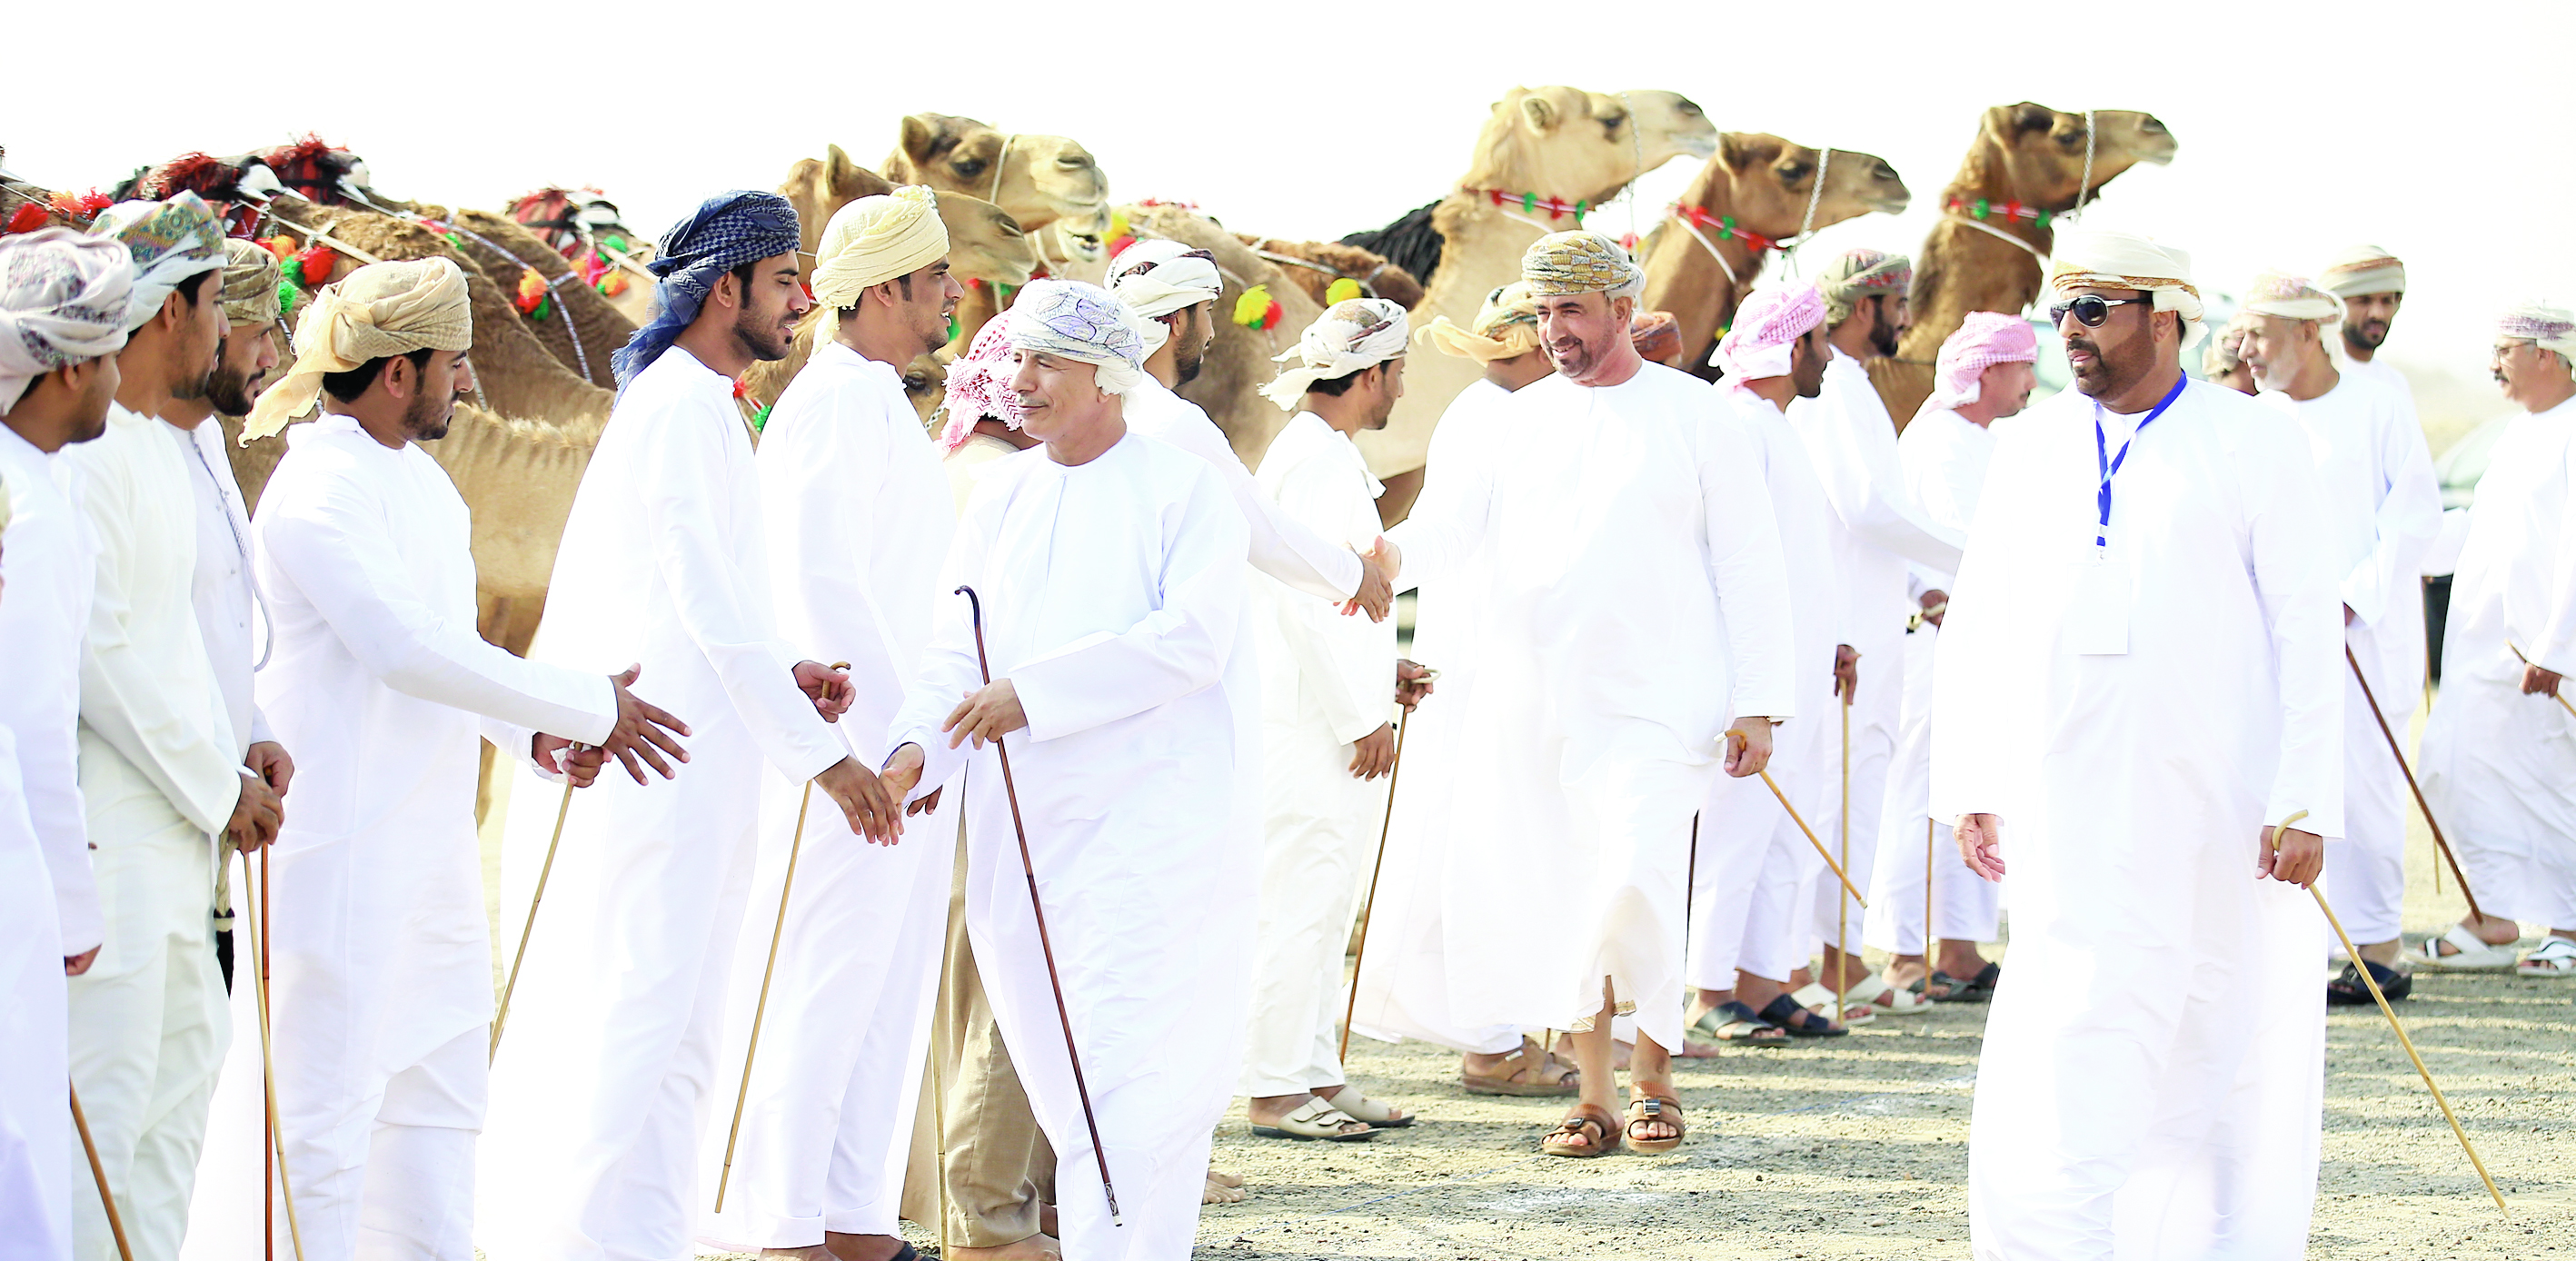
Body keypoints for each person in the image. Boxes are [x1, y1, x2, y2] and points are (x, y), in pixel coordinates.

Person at [181, 257, 691, 1261]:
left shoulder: (421, 484)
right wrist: (588, 704)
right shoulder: (315, 491)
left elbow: (456, 648)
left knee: (441, 1098)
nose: (468, 385)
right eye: (454, 365)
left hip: (433, 852)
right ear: (399, 372)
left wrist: (534, 737)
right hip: (336, 852)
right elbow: (403, 649)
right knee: (319, 1112)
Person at [476, 191, 900, 1261]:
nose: (805, 301)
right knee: (629, 1021)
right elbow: (704, 605)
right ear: (727, 289)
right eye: (786, 280)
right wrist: (828, 763)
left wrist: (791, 672)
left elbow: (713, 597)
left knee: (685, 1035)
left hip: (702, 768)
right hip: (650, 768)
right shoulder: (671, 404)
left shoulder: (713, 403)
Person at [1936, 230, 2340, 1257]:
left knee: (2219, 1032)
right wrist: (1970, 779)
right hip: (2063, 799)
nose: (2070, 329)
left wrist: (2304, 799)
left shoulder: (2253, 441)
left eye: (2096, 307)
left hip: (2221, 807)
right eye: (2061, 311)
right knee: (2068, 1022)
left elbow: (2304, 626)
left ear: (2166, 316)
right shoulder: (2029, 445)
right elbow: (1979, 621)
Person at [1383, 232, 1796, 1156]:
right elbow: (1448, 529)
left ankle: (1656, 1071)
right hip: (1538, 700)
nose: (1553, 330)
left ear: (1621, 307)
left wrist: (1761, 700)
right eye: (1542, 313)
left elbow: (1751, 564)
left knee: (1639, 878)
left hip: (1663, 698)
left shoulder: (1701, 416)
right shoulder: (1512, 420)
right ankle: (1597, 1092)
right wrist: (1387, 559)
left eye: (1570, 311)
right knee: (1569, 889)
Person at [878, 278, 1252, 1259]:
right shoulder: (1001, 493)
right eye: (1017, 359)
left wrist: (1034, 696)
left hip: (1146, 833)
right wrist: (917, 750)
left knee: (1130, 1075)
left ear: (1108, 376)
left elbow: (1194, 640)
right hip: (1023, 837)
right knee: (1061, 1079)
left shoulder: (1184, 488)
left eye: (1048, 360)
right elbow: (956, 654)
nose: (1022, 379)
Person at [707, 187, 961, 1261]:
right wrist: (879, 749)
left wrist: (927, 740)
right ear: (889, 289)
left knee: (881, 985)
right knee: (821, 979)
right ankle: (783, 1224)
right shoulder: (831, 402)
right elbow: (818, 589)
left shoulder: (875, 398)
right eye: (939, 275)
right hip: (855, 755)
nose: (953, 294)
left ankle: (853, 1215)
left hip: (906, 749)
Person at [67, 193, 283, 1261]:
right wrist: (219, 783)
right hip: (114, 850)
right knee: (97, 1140)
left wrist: (241, 744)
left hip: (183, 854)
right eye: (213, 303)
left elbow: (183, 646)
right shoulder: (93, 455)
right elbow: (103, 656)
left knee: (168, 1133)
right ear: (170, 314)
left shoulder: (167, 451)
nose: (224, 328)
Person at [1347, 283, 1574, 1093]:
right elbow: (1447, 527)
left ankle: (1529, 1019)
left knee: (1524, 845)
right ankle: (1488, 1039)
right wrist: (1388, 559)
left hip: (1539, 663)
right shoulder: (1487, 413)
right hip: (1483, 665)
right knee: (1480, 847)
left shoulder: (1550, 408)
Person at [905, 313, 1064, 1261]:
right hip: (1000, 764)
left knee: (967, 988)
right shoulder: (1010, 486)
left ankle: (1001, 1199)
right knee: (1016, 989)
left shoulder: (953, 466)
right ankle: (992, 1217)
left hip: (951, 763)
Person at [2240, 271, 2441, 1002]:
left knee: (2364, 788)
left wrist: (2348, 601)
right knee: (2282, 783)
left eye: (2257, 335)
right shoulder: (2254, 418)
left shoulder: (2377, 404)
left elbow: (2414, 517)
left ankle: (2377, 950)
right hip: (2275, 639)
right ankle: (2298, 950)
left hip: (2362, 635)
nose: (2244, 350)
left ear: (2304, 333)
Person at [1242, 299, 1411, 1142]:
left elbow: (1346, 601)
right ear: (1372, 373)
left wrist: (1390, 670)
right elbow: (1303, 606)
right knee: (1300, 899)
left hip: (1329, 716)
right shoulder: (1312, 461)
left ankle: (1311, 1072)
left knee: (1324, 895)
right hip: (1311, 724)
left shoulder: (1326, 454)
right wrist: (1360, 716)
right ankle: (1274, 1089)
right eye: (1398, 372)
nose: (1401, 390)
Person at [0, 227, 134, 1261]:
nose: (121, 377)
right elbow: (36, 720)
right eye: (112, 353)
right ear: (72, 366)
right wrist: (71, 907)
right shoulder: (23, 508)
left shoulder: (34, 479)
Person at [1788, 249, 1964, 1020]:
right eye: (1899, 304)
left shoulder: (1850, 387)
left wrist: (1921, 583)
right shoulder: (1832, 387)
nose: (1906, 319)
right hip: (1844, 633)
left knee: (1855, 794)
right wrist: (1972, 558)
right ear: (1869, 306)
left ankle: (1839, 960)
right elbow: (1863, 510)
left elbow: (1863, 523)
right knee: (1840, 795)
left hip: (1871, 618)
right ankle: (1825, 966)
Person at [1684, 283, 1851, 1049]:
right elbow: (1727, 562)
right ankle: (1708, 987)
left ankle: (1763, 980)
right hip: (1753, 679)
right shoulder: (1736, 424)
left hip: (1801, 672)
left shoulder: (1776, 425)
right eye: (1819, 340)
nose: (1829, 356)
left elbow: (1803, 559)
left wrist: (1835, 640)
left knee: (1784, 830)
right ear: (1791, 347)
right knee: (1733, 830)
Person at [1863, 312, 2035, 1003]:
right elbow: (1956, 550)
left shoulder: (1977, 441)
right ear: (1990, 371)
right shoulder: (1939, 441)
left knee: (1976, 789)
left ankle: (1958, 949)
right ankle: (1906, 952)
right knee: (1923, 792)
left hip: (1988, 640)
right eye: (2023, 367)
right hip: (1940, 640)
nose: (2030, 382)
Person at [1104, 237, 1392, 623]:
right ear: (1175, 321)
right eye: (1207, 310)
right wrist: (1355, 576)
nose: (1211, 331)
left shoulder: (1106, 407)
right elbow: (1264, 532)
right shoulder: (1172, 421)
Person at [2415, 303, 2576, 976]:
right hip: (2482, 654)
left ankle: (2567, 925)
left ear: (2547, 355)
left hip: (2538, 655)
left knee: (2551, 786)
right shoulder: (2516, 434)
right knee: (2454, 772)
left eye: (2504, 350)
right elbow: (2479, 527)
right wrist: (2403, 549)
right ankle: (2492, 914)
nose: (2492, 365)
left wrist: (2555, 648)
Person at [159, 238, 294, 989]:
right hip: (149, 808)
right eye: (256, 333)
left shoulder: (204, 438)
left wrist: (253, 727)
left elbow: (213, 616)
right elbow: (131, 656)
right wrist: (217, 774)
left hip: (218, 790)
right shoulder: (125, 450)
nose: (272, 357)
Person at [2319, 244, 2413, 403]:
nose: (2377, 313)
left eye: (2386, 301)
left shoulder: (2395, 383)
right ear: (2336, 306)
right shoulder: (2316, 380)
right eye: (2364, 301)